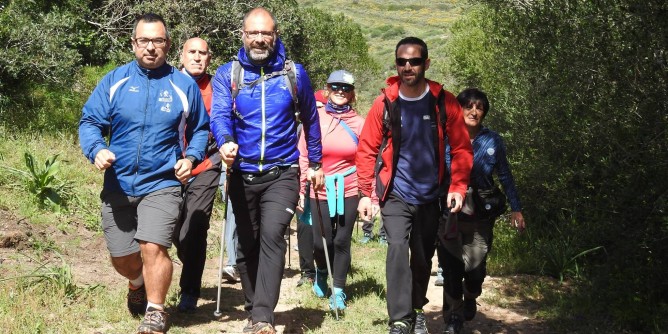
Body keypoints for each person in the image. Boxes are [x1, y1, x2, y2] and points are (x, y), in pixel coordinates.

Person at [78, 13, 209, 334]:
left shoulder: (182, 86)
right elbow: (90, 121)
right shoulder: (115, 81)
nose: (151, 48)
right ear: (134, 43)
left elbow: (202, 129)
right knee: (122, 257)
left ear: (168, 44)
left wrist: (191, 157)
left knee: (153, 246)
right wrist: (97, 149)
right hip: (119, 184)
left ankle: (155, 311)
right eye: (144, 41)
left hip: (163, 182)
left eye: (158, 41)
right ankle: (136, 282)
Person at [210, 7, 324, 334]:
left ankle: (262, 318)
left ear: (275, 36)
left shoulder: (294, 74)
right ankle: (254, 305)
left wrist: (314, 162)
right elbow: (219, 115)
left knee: (273, 237)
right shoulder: (228, 74)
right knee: (248, 244)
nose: (260, 39)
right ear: (243, 35)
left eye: (266, 33)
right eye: (253, 33)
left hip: (283, 171)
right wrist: (226, 141)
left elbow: (311, 120)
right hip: (241, 172)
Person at [356, 37, 473, 334]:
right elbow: (367, 149)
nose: (408, 66)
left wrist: (458, 187)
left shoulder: (443, 102)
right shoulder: (385, 102)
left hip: (431, 196)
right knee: (396, 247)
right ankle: (399, 319)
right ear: (396, 64)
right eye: (402, 61)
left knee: (422, 258)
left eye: (415, 61)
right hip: (395, 192)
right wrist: (365, 194)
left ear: (426, 64)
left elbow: (461, 148)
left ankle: (416, 307)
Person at [440, 88, 526, 334]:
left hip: (481, 214)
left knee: (475, 271)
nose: (474, 111)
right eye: (469, 106)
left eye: (479, 107)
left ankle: (471, 294)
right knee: (451, 267)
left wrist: (516, 209)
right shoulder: (445, 137)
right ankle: (453, 317)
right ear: (459, 109)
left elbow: (505, 175)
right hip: (449, 212)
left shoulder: (493, 140)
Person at [298, 70, 368, 311]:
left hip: (349, 187)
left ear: (352, 94)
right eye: (335, 86)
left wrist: (368, 194)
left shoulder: (360, 124)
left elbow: (368, 159)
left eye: (346, 88)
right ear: (327, 89)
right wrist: (300, 188)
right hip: (319, 187)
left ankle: (338, 290)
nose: (340, 91)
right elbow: (303, 154)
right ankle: (320, 270)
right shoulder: (314, 118)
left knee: (342, 240)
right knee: (320, 241)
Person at [171, 37, 224, 313]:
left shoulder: (219, 87)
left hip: (206, 165)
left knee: (195, 227)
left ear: (209, 58)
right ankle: (189, 262)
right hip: (168, 167)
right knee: (174, 232)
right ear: (181, 55)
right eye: (191, 52)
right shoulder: (167, 82)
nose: (197, 57)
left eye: (202, 53)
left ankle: (189, 289)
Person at [294, 90, 328, 288]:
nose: (317, 112)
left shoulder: (332, 126)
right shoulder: (298, 128)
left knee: (324, 226)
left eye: (321, 107)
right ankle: (307, 271)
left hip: (328, 181)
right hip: (303, 179)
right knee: (304, 224)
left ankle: (327, 265)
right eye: (314, 107)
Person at [220, 163, 240, 283]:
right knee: (231, 218)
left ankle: (237, 264)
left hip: (245, 167)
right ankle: (233, 264)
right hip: (226, 168)